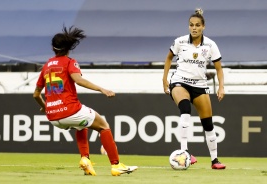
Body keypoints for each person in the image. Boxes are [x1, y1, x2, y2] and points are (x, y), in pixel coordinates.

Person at [33, 25, 138, 176]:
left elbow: (36, 95)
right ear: (68, 47)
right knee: (103, 125)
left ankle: (85, 160)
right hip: (70, 109)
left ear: (53, 48)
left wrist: (45, 107)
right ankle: (116, 165)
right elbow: (78, 80)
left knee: (81, 126)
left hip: (53, 117)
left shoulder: (46, 66)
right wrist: (102, 89)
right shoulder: (69, 62)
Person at [162, 8, 226, 169]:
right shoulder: (180, 42)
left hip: (200, 85)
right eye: (191, 25)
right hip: (180, 81)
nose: (194, 28)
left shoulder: (211, 45)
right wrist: (164, 79)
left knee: (208, 124)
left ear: (203, 26)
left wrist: (221, 87)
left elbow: (219, 69)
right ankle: (184, 152)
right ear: (188, 26)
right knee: (185, 110)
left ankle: (215, 160)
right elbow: (169, 58)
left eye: (197, 25)